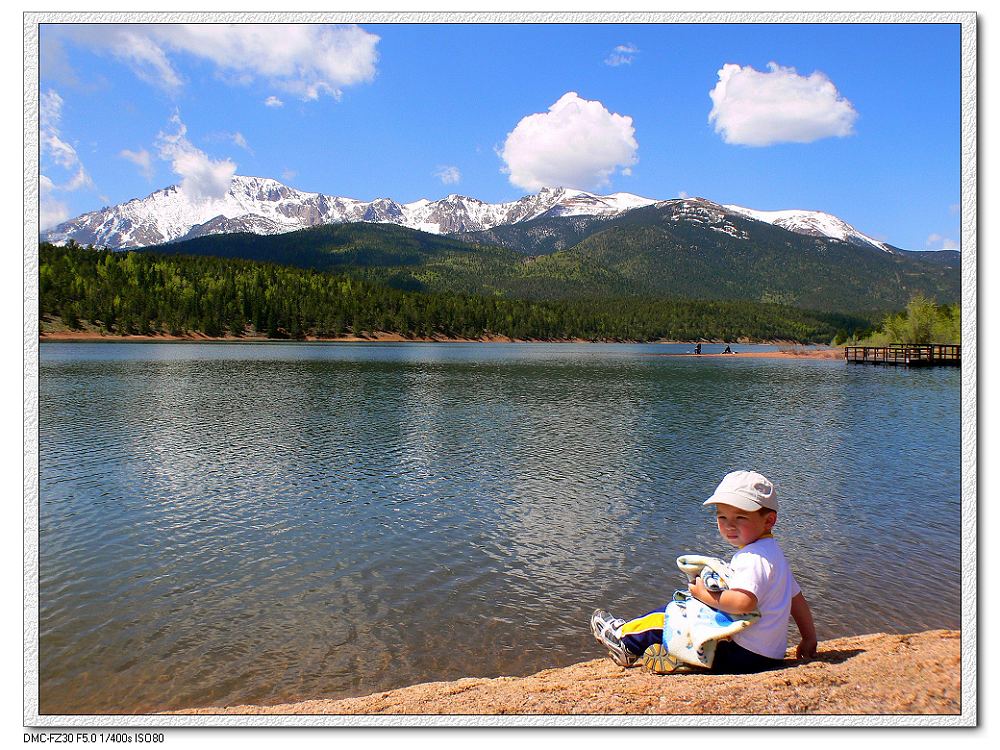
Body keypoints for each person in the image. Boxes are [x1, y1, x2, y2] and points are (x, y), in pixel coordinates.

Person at [591, 470, 817, 674]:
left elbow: (743, 603)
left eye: (740, 518)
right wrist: (809, 637)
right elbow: (796, 600)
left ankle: (624, 642)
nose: (729, 526)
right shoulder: (773, 554)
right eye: (722, 517)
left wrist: (703, 594)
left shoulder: (752, 558)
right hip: (769, 655)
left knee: (675, 614)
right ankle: (680, 658)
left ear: (769, 521)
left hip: (742, 656)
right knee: (697, 617)